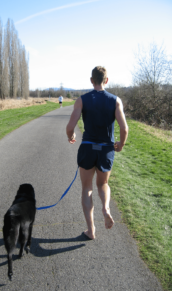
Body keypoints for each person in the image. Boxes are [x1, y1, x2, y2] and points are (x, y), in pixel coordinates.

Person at [66, 66, 128, 240]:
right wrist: (121, 144)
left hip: (87, 147)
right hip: (106, 149)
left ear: (91, 80)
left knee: (87, 188)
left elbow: (70, 126)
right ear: (106, 80)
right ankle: (106, 208)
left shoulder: (82, 100)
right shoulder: (115, 100)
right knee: (103, 184)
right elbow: (124, 128)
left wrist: (71, 136)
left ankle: (91, 230)